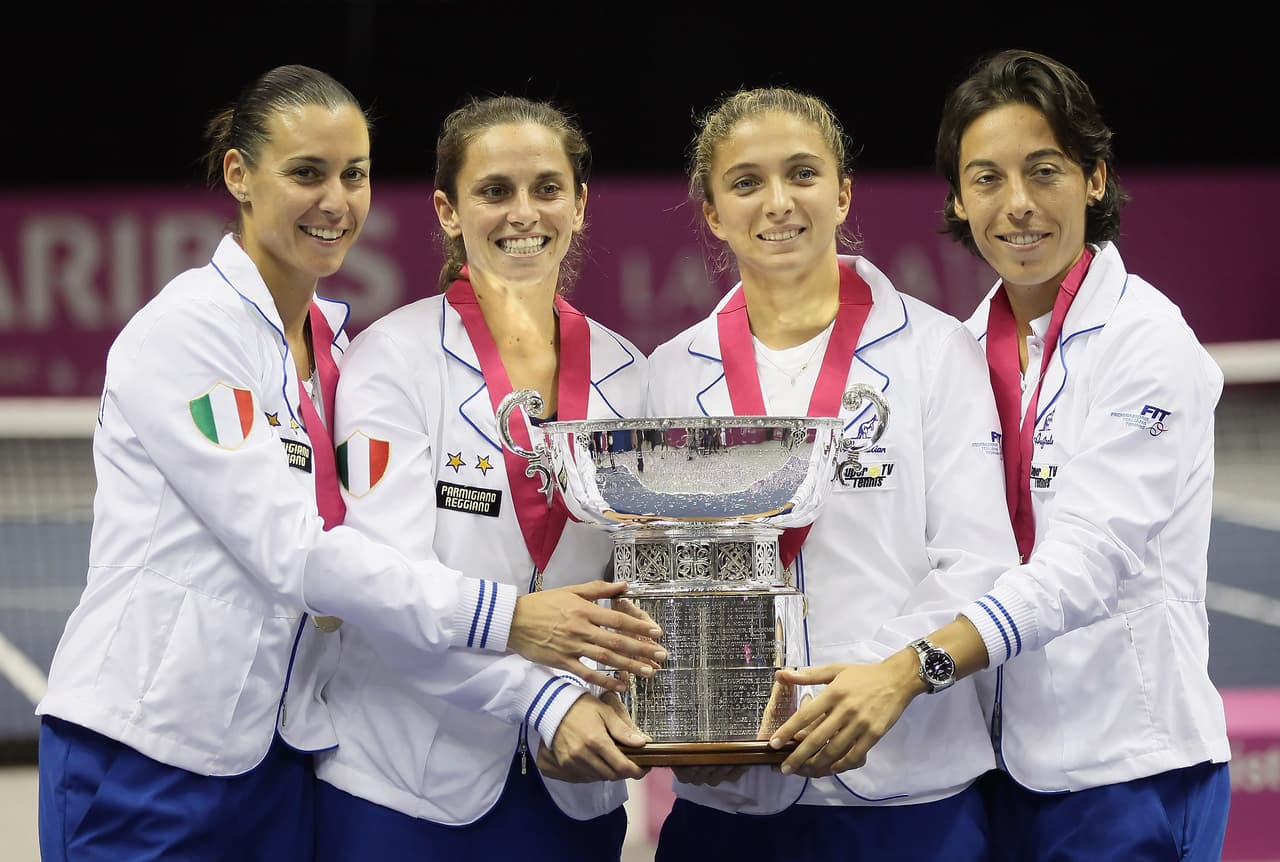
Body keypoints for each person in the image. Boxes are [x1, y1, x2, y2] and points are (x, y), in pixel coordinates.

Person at [34, 67, 663, 862]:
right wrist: (509, 618)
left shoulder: (327, 347)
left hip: (279, 750)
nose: (334, 201)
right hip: (152, 742)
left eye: (353, 175)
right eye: (307, 173)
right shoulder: (189, 331)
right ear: (239, 174)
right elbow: (295, 551)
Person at [771, 50, 1233, 861]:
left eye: (1044, 171)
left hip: (1128, 770)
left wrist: (907, 669)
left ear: (1095, 178)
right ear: (958, 199)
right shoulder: (963, 343)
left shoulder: (1146, 340)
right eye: (986, 179)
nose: (1017, 204)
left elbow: (1088, 561)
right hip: (1004, 773)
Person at [646, 86, 1019, 862]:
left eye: (803, 174)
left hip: (907, 786)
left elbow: (979, 560)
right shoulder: (672, 373)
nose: (778, 202)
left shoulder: (935, 350)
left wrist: (871, 680)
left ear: (843, 193)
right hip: (732, 792)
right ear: (713, 213)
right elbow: (658, 577)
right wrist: (692, 710)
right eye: (746, 182)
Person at [313, 95, 654, 862]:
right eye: (495, 190)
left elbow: (639, 582)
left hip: (575, 786)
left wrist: (630, 699)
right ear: (448, 210)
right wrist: (543, 698)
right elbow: (387, 587)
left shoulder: (630, 375)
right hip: (404, 785)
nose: (523, 213)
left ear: (579, 204)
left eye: (547, 188)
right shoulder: (393, 359)